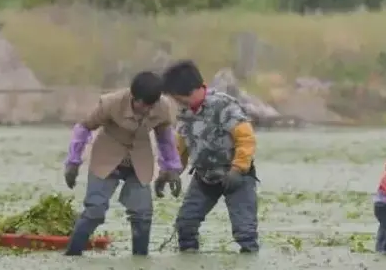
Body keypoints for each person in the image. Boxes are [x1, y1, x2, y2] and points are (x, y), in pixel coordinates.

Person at [63, 71, 182, 256]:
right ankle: (72, 254)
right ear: (134, 98)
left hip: (139, 161)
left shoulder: (162, 108)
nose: (149, 110)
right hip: (107, 157)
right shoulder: (111, 103)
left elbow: (165, 137)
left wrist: (171, 168)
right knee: (95, 210)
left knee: (143, 214)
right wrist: (73, 162)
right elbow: (84, 127)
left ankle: (140, 258)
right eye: (145, 105)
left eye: (153, 105)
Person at [162, 60, 259, 253]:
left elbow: (246, 138)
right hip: (204, 178)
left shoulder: (224, 106)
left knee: (244, 232)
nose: (175, 101)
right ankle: (189, 259)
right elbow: (181, 146)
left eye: (175, 96)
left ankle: (249, 258)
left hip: (236, 177)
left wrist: (238, 169)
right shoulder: (185, 114)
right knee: (185, 225)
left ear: (186, 91)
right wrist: (171, 172)